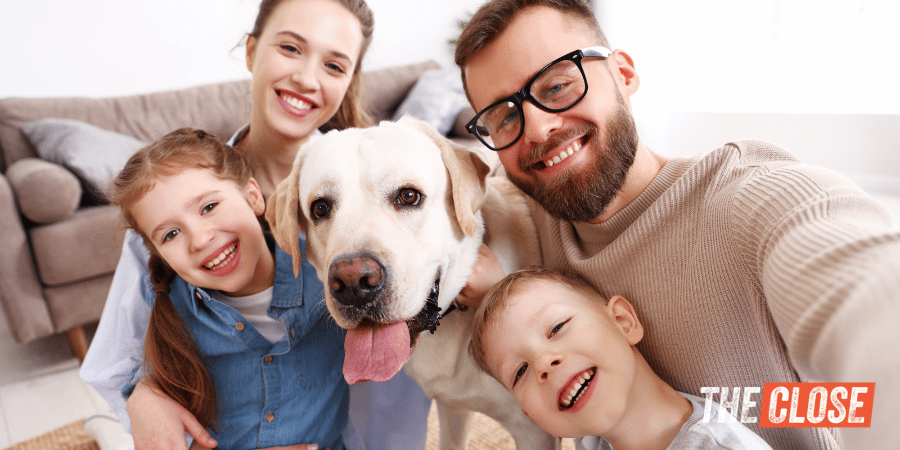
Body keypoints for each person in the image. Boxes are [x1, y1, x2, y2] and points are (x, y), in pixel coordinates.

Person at [453, 0, 900, 449]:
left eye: (557, 86)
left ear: (623, 75)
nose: (537, 128)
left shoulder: (754, 200)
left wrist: (793, 402)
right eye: (505, 116)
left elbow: (873, 308)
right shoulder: (531, 217)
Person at [79, 1, 432, 449]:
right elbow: (115, 367)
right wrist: (141, 396)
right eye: (290, 48)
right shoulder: (171, 205)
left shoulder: (388, 197)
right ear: (251, 51)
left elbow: (395, 395)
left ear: (349, 83)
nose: (306, 78)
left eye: (334, 65)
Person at [109, 128, 348, 450]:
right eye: (171, 234)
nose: (200, 239)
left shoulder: (325, 272)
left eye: (208, 207)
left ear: (253, 195)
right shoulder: (170, 310)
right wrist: (142, 392)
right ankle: (104, 430)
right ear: (156, 252)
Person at [470, 267, 773, 450]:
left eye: (557, 328)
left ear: (622, 321)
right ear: (532, 416)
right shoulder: (590, 440)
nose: (542, 364)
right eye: (520, 372)